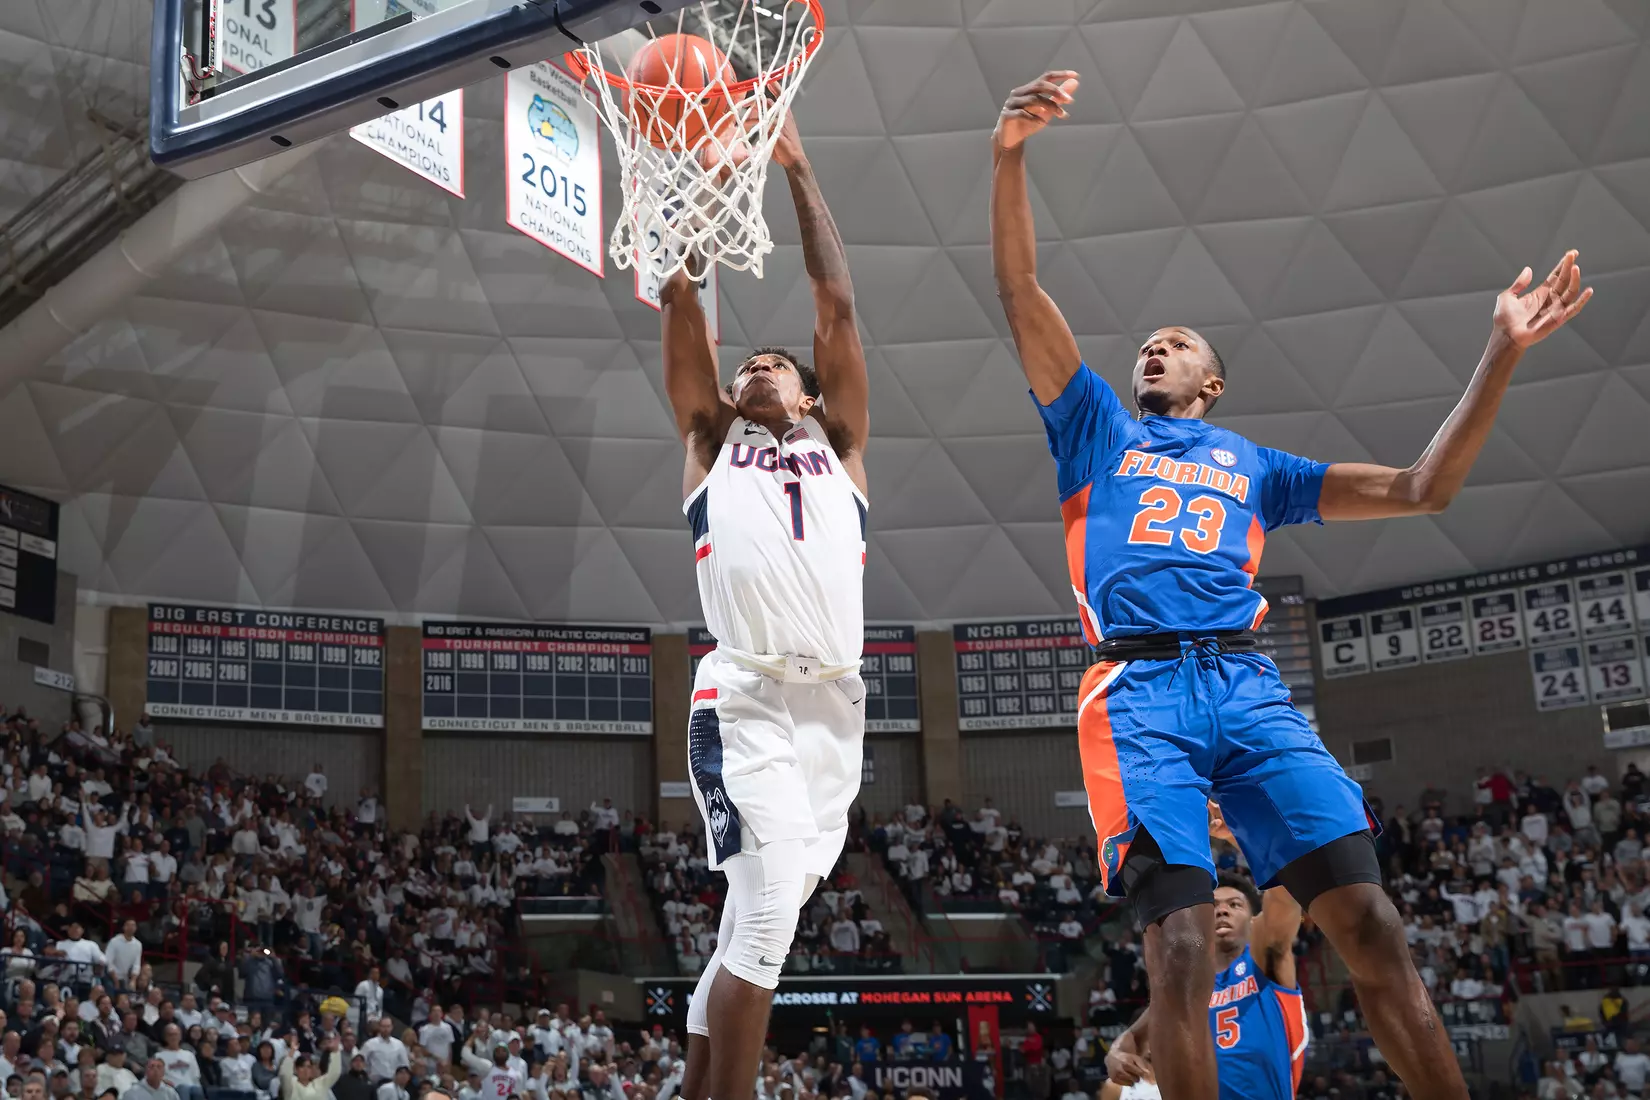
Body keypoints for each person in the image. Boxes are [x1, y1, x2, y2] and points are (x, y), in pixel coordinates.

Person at [989, 66, 1590, 1100]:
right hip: (1137, 692)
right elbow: (1021, 294)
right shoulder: (1097, 426)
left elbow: (1422, 486)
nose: (1154, 345)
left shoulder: (1258, 466)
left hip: (1247, 685)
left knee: (1372, 924)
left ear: (1211, 382)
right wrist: (1009, 157)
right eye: (1149, 341)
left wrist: (1499, 351)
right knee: (1180, 946)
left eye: (1175, 344)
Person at [660, 108, 871, 1100]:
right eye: (744, 367)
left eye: (771, 365)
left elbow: (836, 303)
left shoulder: (841, 443)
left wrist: (796, 164)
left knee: (764, 902)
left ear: (809, 387)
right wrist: (696, 207)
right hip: (744, 696)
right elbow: (680, 308)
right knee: (767, 916)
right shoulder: (710, 438)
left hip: (834, 703)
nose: (753, 370)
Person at [1103, 804, 1307, 1100]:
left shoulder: (1264, 959)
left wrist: (1240, 837)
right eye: (1214, 906)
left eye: (1234, 905)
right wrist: (1116, 1055)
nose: (1222, 910)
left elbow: (1286, 894)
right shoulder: (1189, 985)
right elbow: (1131, 1039)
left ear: (1254, 920)